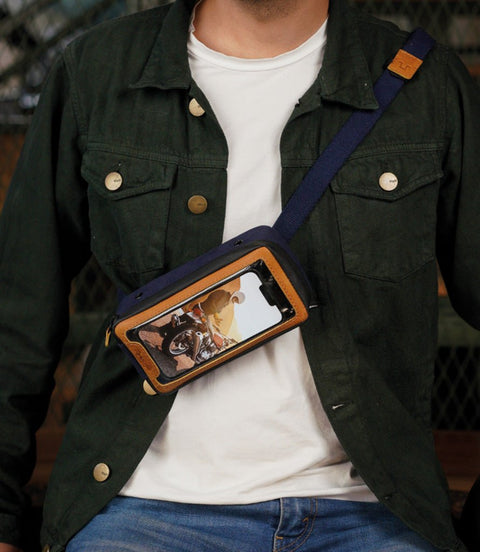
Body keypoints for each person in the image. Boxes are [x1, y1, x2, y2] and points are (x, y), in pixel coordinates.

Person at [0, 0, 479, 550]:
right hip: (144, 511)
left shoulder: (424, 81)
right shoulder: (96, 71)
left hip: (372, 511)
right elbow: (18, 310)